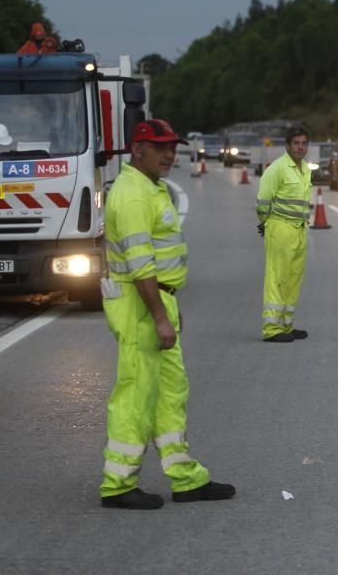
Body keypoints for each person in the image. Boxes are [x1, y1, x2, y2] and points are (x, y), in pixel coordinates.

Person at [99, 118, 235, 509]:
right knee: (136, 394)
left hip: (158, 301)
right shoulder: (135, 196)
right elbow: (142, 267)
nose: (169, 155)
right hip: (141, 305)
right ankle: (118, 484)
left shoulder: (150, 188)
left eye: (172, 147)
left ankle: (185, 477)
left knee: (170, 393)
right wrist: (159, 315)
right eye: (160, 148)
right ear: (137, 149)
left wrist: (169, 308)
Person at [255, 126, 312, 343]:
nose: (300, 147)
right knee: (277, 278)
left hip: (299, 228)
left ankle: (286, 325)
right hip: (280, 227)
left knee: (293, 278)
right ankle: (271, 328)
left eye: (304, 143)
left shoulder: (305, 169)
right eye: (296, 143)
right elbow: (263, 203)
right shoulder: (277, 169)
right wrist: (266, 224)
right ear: (287, 146)